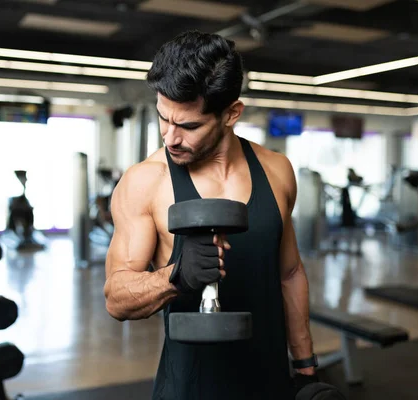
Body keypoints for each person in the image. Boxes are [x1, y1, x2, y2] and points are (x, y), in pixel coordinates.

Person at [103, 31, 317, 399]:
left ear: (231, 113)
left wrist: (306, 367)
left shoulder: (278, 170)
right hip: (190, 387)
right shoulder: (145, 181)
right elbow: (116, 297)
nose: (169, 138)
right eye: (163, 119)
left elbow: (290, 273)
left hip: (271, 383)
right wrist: (176, 277)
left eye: (188, 126)